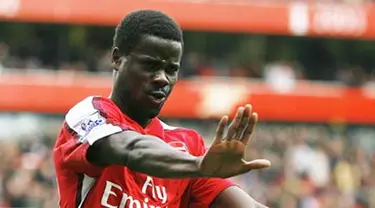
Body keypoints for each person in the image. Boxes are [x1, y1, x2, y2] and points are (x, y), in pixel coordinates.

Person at [53, 10, 271, 208]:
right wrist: (197, 165)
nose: (162, 79)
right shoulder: (88, 116)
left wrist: (198, 165)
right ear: (117, 59)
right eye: (150, 65)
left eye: (171, 70)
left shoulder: (187, 146)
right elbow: (132, 149)